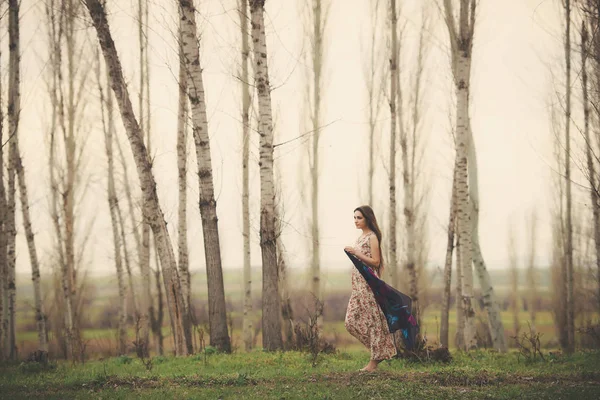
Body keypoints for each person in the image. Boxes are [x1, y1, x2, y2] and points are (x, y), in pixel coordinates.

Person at [344, 205, 396, 372]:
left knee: (374, 321)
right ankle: (380, 349)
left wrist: (356, 253)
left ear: (367, 218)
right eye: (354, 218)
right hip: (357, 286)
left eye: (359, 218)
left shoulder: (372, 237)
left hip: (368, 285)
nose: (356, 221)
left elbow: (376, 262)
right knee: (350, 321)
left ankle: (374, 360)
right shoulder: (361, 237)